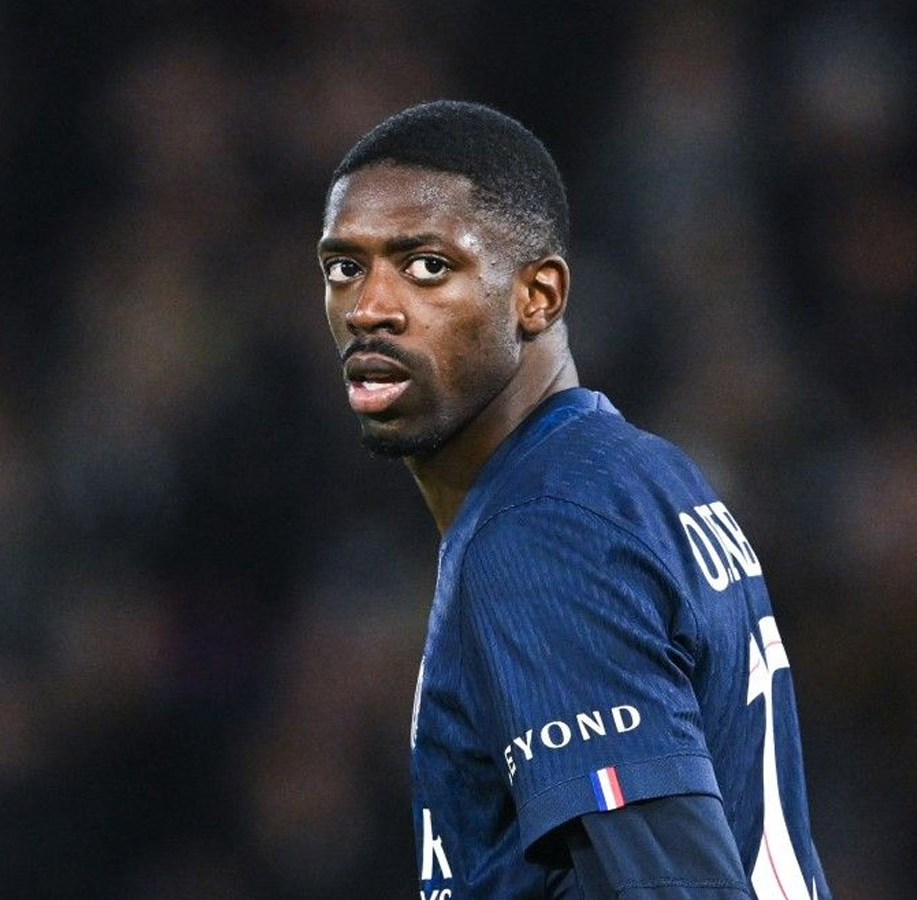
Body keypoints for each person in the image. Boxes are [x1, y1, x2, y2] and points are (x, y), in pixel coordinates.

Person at [317, 100, 831, 900]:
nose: (369, 309)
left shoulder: (542, 533)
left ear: (538, 295)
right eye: (345, 267)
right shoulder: (638, 474)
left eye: (426, 266)